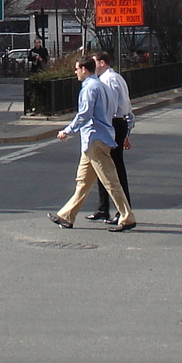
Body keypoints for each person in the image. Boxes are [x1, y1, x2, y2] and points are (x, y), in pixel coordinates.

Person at [48, 57, 135, 232]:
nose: (75, 72)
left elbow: (84, 114)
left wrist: (67, 130)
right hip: (95, 140)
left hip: (95, 139)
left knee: (111, 181)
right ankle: (66, 216)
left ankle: (127, 217)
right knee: (83, 182)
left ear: (84, 69)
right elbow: (111, 111)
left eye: (76, 69)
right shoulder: (104, 87)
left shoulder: (90, 88)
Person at [86, 51, 135, 224]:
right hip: (114, 123)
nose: (92, 66)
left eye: (94, 62)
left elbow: (114, 105)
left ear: (102, 63)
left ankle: (123, 210)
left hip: (113, 123)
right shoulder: (111, 78)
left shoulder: (110, 80)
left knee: (114, 169)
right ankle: (103, 208)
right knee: (103, 167)